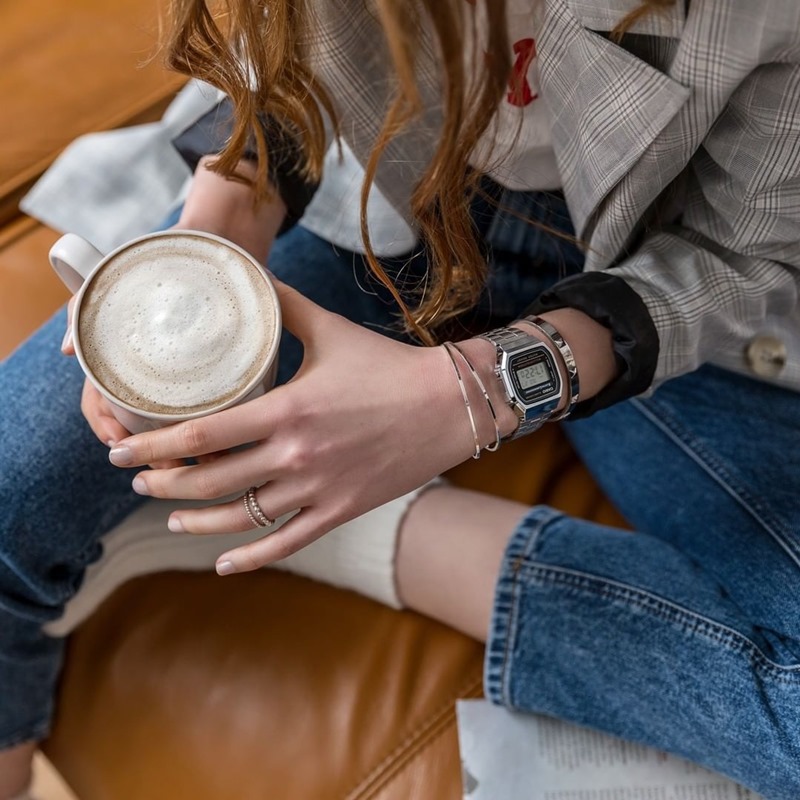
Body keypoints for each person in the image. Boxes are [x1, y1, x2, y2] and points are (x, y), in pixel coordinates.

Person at [2, 0, 800, 797]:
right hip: (372, 207)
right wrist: (222, 221)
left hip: (653, 284)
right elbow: (281, 66)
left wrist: (469, 400)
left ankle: (362, 527)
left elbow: (736, 251)